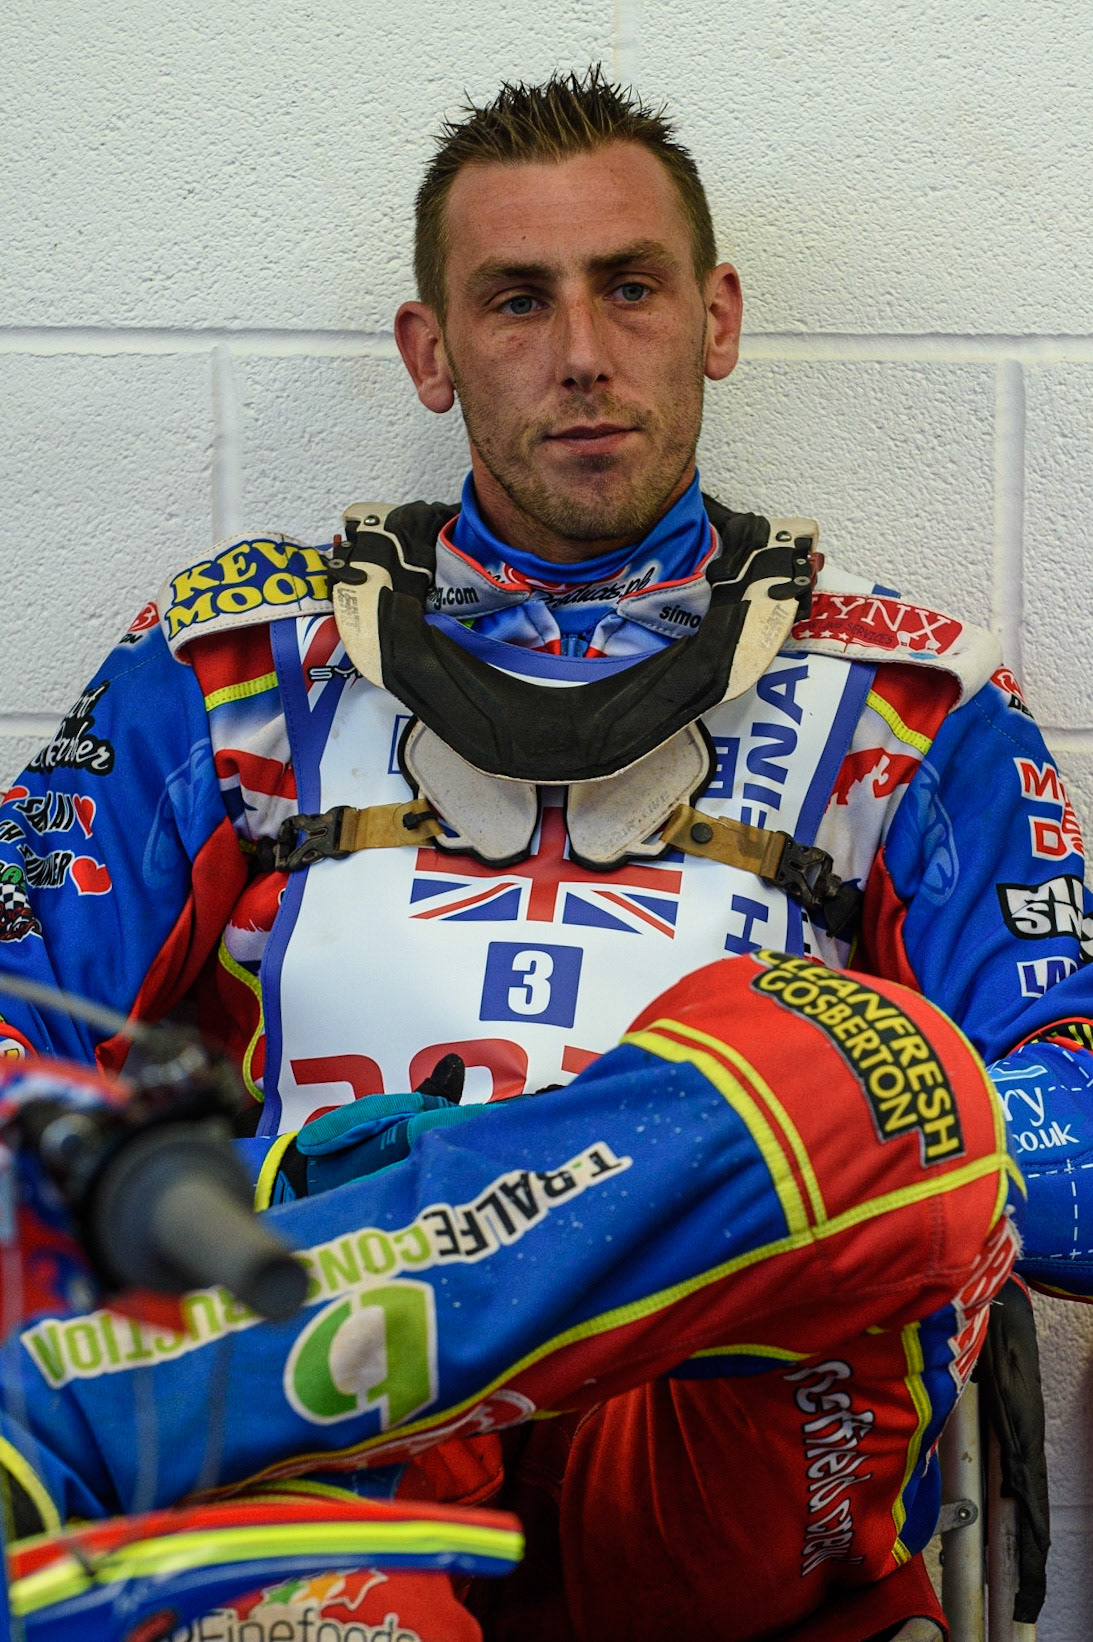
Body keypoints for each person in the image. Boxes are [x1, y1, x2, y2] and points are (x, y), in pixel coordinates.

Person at [0, 66, 1090, 1642]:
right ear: (429, 352)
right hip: (333, 1434)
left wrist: (609, 1176)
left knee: (870, 1066)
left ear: (712, 317)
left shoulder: (911, 700)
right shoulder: (233, 662)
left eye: (628, 289)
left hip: (712, 1471)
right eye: (516, 301)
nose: (581, 354)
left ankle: (266, 1327)